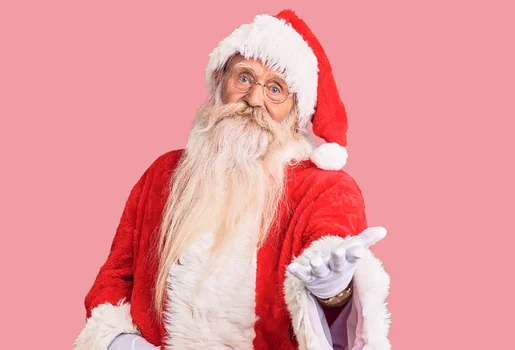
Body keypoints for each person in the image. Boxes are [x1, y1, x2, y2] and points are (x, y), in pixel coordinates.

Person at [74, 9, 391, 350]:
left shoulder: (325, 190)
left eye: (275, 89)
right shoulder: (163, 173)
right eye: (244, 79)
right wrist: (119, 342)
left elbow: (340, 322)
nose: (254, 100)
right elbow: (115, 274)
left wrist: (335, 292)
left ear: (296, 112)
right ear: (219, 81)